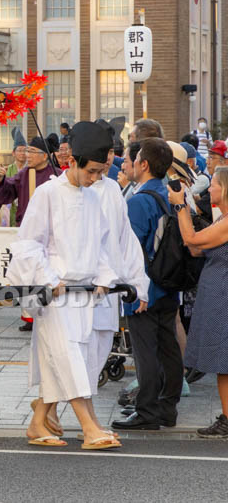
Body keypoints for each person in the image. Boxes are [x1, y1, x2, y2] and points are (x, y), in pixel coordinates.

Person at [8, 121, 122, 450]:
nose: (97, 178)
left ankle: (37, 423)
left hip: (85, 295)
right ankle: (89, 429)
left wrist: (104, 279)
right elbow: (28, 244)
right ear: (72, 161)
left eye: (102, 172)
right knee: (68, 359)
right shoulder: (47, 194)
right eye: (93, 171)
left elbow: (102, 245)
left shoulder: (92, 198)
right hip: (57, 295)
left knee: (75, 361)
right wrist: (48, 279)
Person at [112, 138, 183, 431]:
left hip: (145, 287)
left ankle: (147, 411)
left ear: (144, 164)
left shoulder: (140, 201)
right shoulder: (172, 193)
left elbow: (131, 248)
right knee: (169, 349)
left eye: (136, 157)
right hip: (170, 283)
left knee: (145, 352)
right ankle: (168, 408)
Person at [89, 122, 150, 418]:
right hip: (76, 292)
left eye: (110, 156)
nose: (107, 163)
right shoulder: (56, 192)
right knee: (74, 360)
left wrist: (138, 284)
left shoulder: (113, 189)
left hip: (108, 292)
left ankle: (47, 415)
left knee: (99, 349)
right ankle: (83, 421)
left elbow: (125, 241)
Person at [172, 165, 228, 437]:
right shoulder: (221, 219)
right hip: (217, 291)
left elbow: (191, 239)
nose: (209, 190)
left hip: (223, 294)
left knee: (223, 361)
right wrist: (187, 211)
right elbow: (196, 248)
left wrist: (181, 206)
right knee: (222, 361)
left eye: (214, 185)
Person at [0, 136, 58, 227]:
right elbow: (8, 189)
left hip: (50, 226)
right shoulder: (24, 174)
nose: (27, 155)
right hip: (25, 225)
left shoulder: (57, 175)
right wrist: (1, 179)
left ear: (44, 156)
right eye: (28, 151)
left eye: (32, 151)